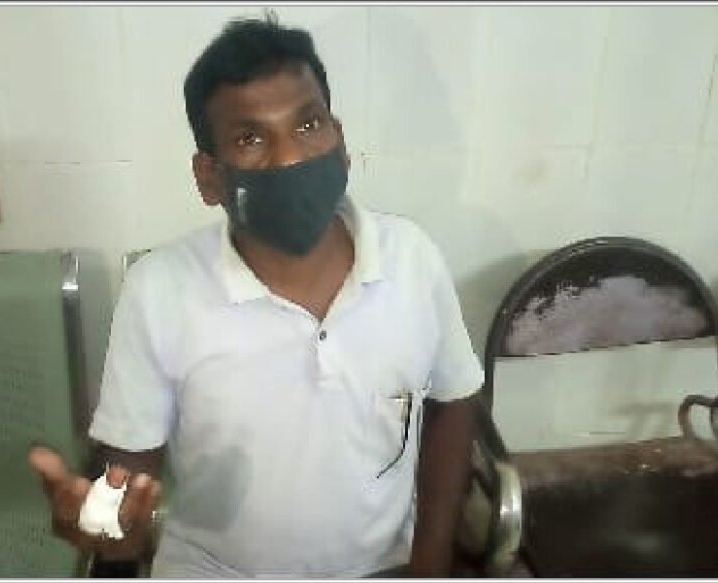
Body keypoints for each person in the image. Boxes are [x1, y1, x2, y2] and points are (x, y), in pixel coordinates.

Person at [28, 13, 484, 578]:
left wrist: (432, 560)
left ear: (341, 143)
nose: (289, 157)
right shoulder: (159, 290)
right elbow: (126, 480)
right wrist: (104, 527)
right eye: (250, 138)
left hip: (381, 568)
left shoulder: (412, 259)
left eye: (308, 124)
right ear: (209, 178)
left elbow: (454, 400)